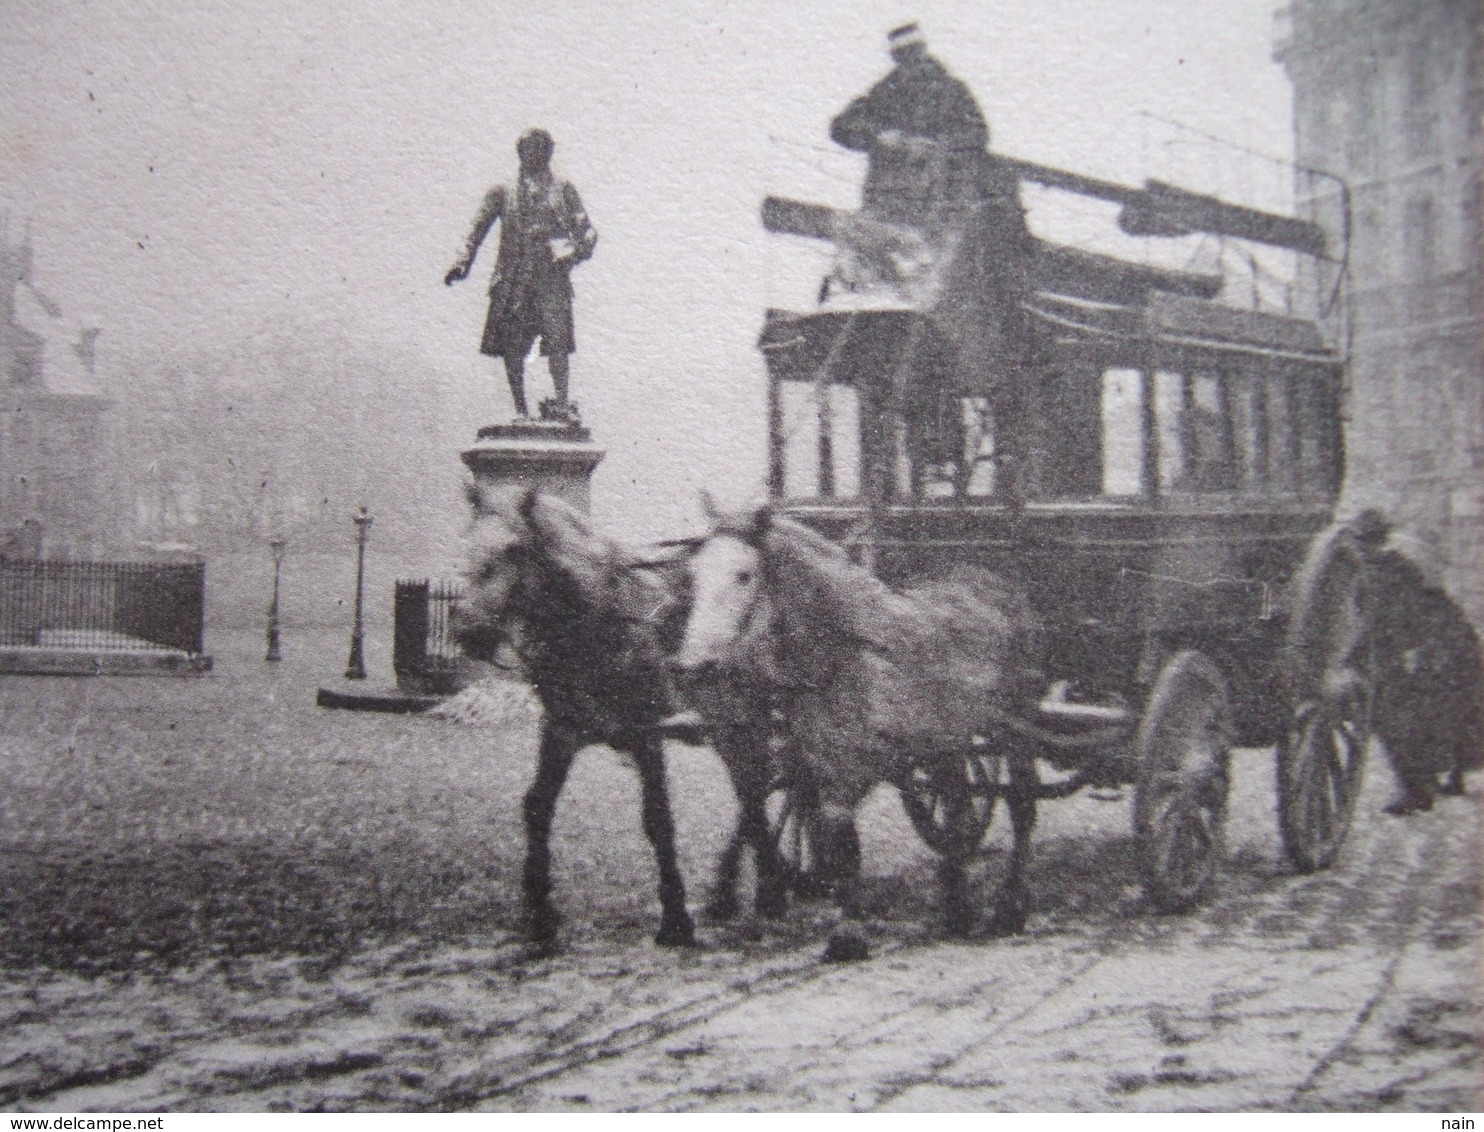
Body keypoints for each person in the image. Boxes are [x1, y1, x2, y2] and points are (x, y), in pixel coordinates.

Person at [445, 129, 597, 421]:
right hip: (514, 277)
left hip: (551, 276)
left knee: (558, 342)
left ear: (551, 151)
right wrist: (462, 262)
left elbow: (587, 231)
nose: (538, 153)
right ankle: (520, 409)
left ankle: (562, 403)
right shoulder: (503, 191)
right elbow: (476, 229)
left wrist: (573, 252)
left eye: (543, 148)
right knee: (513, 344)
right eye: (531, 148)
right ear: (521, 151)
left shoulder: (562, 189)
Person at [1353, 509, 1483, 814]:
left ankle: (1419, 788)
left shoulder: (1379, 572)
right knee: (1439, 713)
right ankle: (1438, 778)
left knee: (1401, 721)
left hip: (1409, 656)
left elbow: (1393, 623)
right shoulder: (1402, 567)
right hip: (1431, 649)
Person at [829, 23, 992, 226]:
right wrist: (879, 135)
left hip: (940, 203)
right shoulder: (883, 93)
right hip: (885, 202)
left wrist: (935, 144)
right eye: (903, 55)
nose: (911, 62)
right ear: (895, 57)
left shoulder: (953, 91)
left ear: (923, 51)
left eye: (914, 53)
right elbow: (840, 127)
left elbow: (979, 134)